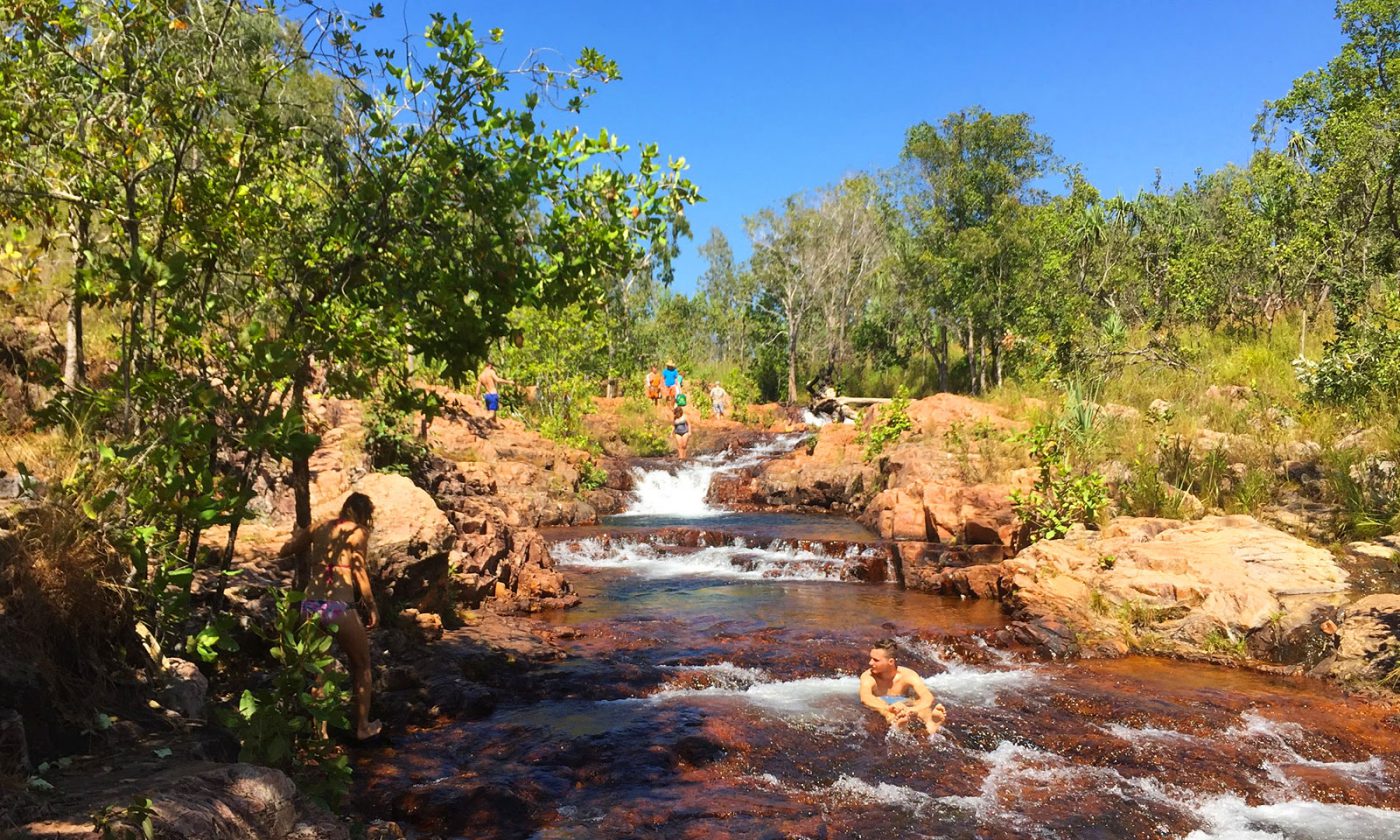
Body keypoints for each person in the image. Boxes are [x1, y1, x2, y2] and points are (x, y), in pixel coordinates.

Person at [278, 492, 382, 741]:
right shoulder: (358, 533)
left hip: (311, 606)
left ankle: (319, 734)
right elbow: (360, 574)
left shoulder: (319, 526)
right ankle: (362, 727)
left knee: (319, 670)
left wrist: (295, 537)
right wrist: (372, 606)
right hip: (340, 607)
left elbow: (287, 550)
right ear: (365, 514)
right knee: (362, 665)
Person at [858, 638, 946, 736]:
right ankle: (900, 727)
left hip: (904, 703)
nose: (870, 663)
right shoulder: (868, 676)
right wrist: (887, 708)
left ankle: (932, 724)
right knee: (881, 704)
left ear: (890, 662)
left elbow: (927, 697)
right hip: (883, 705)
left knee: (919, 703)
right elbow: (865, 698)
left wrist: (912, 710)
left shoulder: (908, 675)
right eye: (871, 658)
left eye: (875, 660)